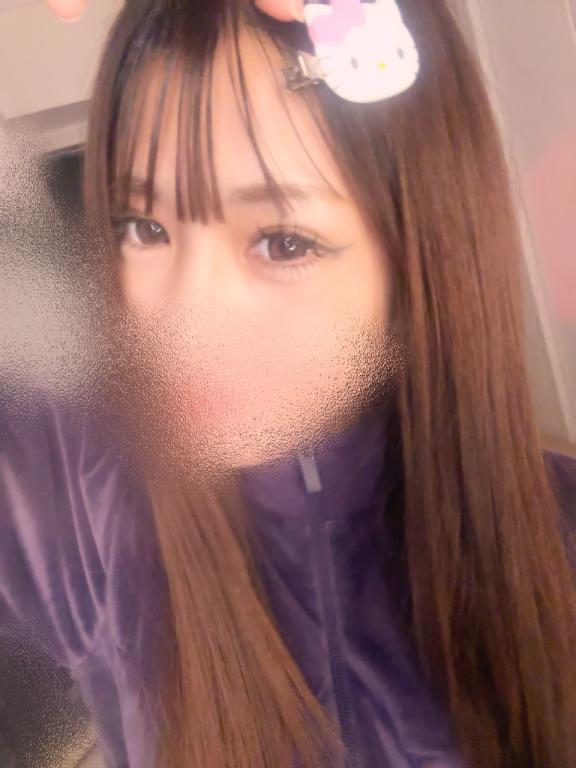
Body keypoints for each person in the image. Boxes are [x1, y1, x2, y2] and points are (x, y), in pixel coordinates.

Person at [3, 1, 576, 766]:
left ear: (418, 260)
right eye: (143, 227)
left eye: (282, 242)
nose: (182, 321)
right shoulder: (77, 503)